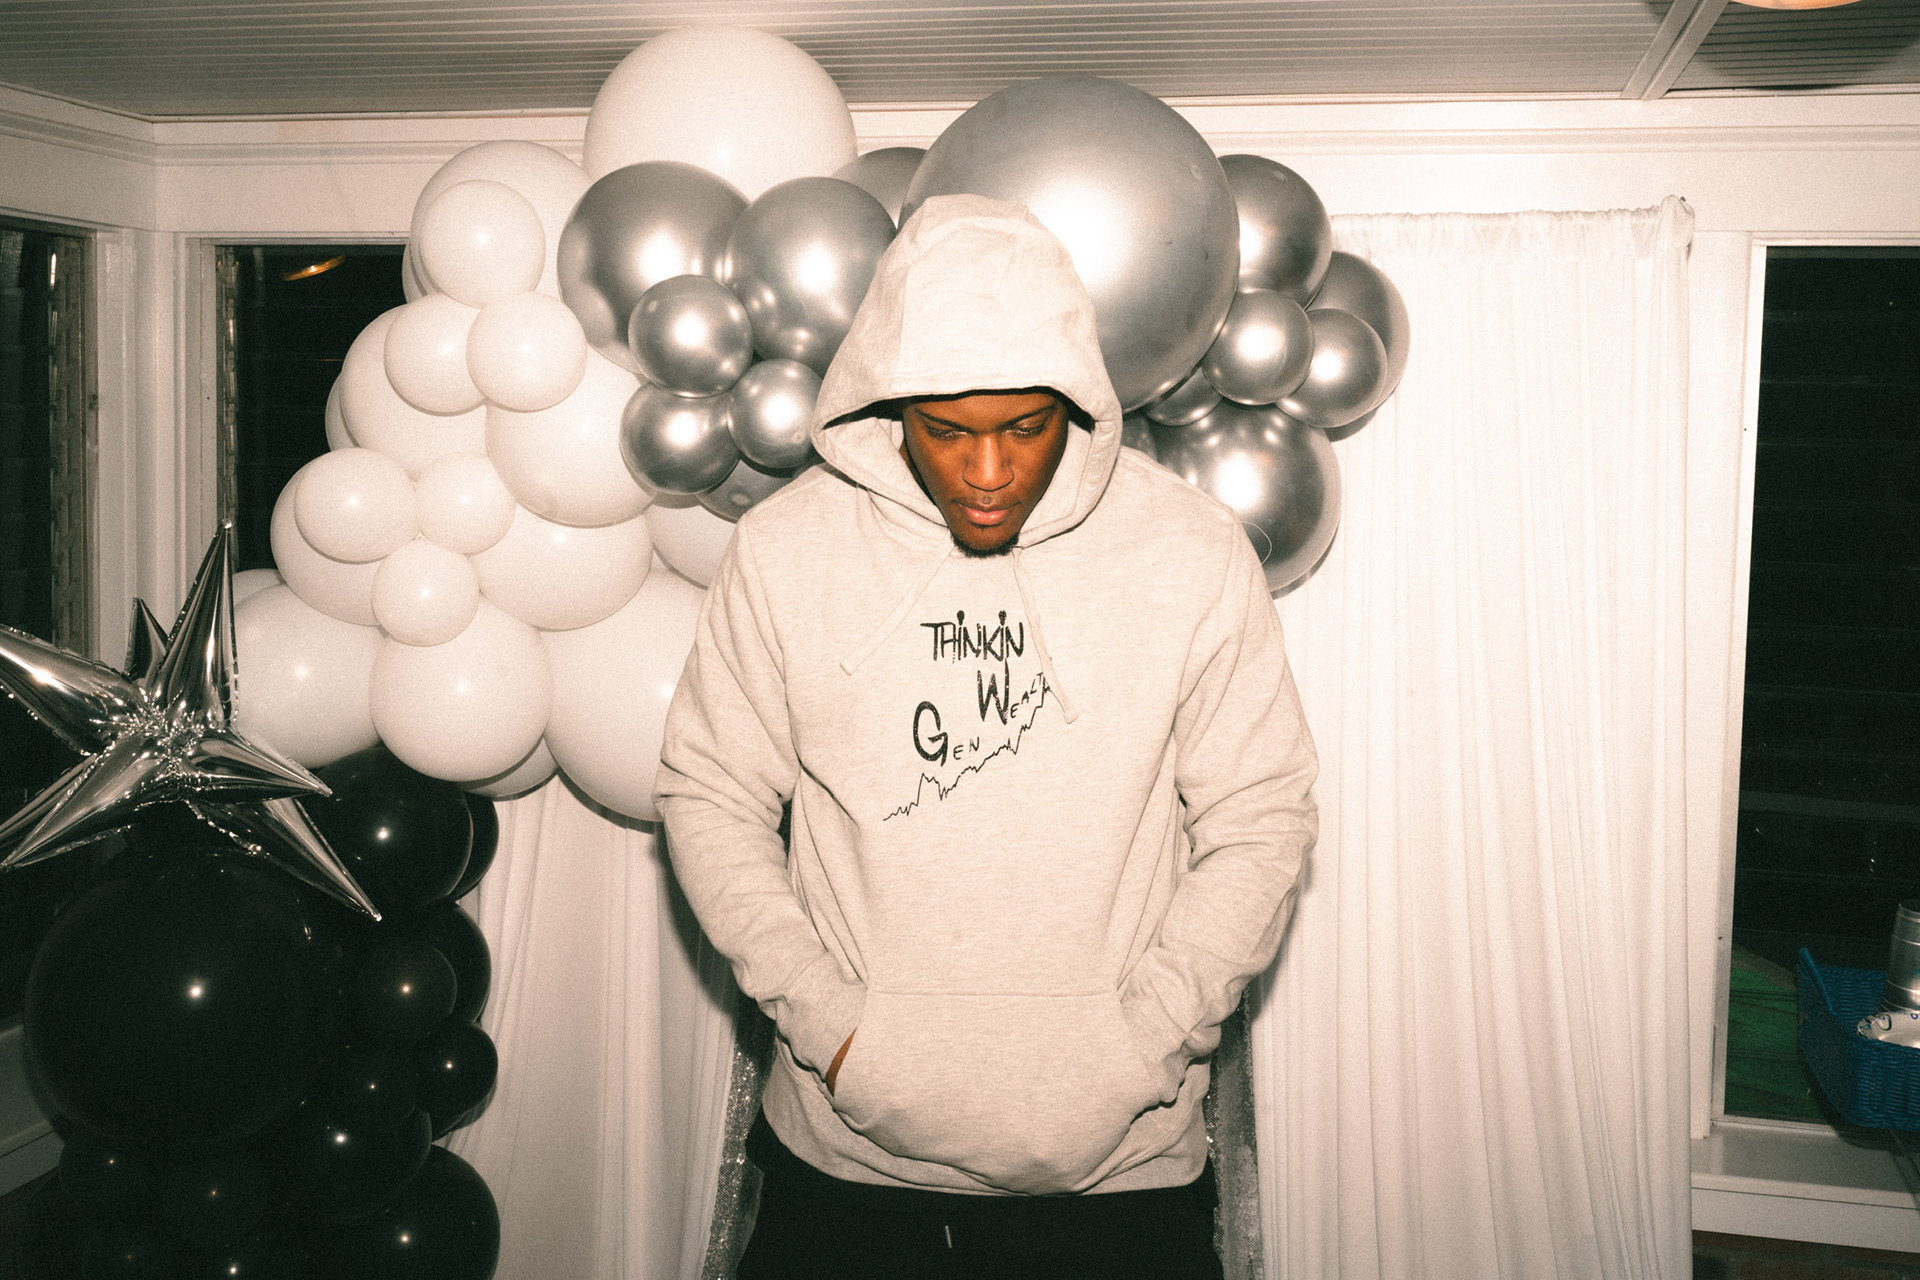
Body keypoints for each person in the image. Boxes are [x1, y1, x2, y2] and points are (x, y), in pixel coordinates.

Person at [657, 194, 1317, 1279]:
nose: (989, 472)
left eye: (1025, 428)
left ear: (1078, 403)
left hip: (1120, 1188)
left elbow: (1263, 817)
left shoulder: (1190, 552)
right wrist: (833, 1028)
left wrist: (1144, 1041)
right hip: (843, 1178)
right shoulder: (786, 550)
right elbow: (709, 795)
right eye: (950, 432)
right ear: (887, 405)